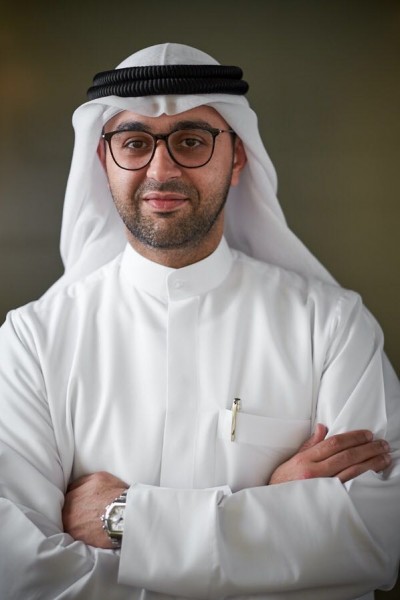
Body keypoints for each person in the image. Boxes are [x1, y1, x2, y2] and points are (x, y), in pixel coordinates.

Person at [0, 42, 399, 600]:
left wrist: (126, 518)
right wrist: (279, 512)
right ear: (103, 162)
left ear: (236, 159)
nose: (161, 170)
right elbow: (22, 572)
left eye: (191, 140)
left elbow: (377, 536)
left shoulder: (332, 326)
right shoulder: (32, 342)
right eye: (134, 142)